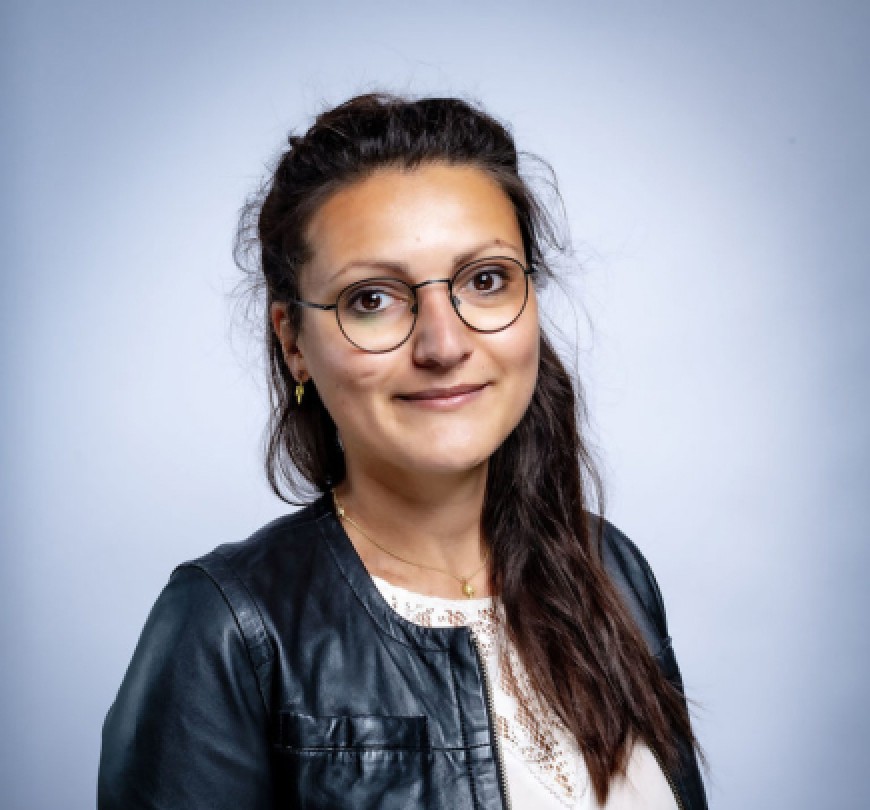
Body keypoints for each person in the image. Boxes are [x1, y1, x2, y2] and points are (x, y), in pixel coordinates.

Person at [98, 93, 707, 809]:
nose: (444, 345)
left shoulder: (611, 570)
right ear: (294, 342)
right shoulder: (227, 630)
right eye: (372, 299)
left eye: (485, 280)